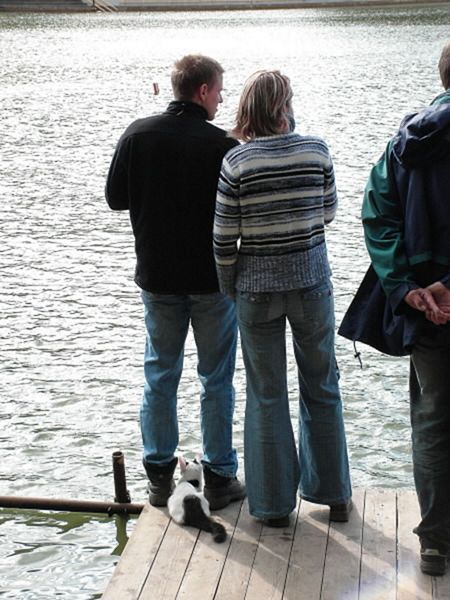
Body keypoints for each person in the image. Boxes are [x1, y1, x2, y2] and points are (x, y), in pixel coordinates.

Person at [105, 54, 245, 510]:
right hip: (211, 280)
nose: (221, 99)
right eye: (219, 90)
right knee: (216, 379)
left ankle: (160, 477)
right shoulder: (222, 145)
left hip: (158, 277)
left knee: (160, 375)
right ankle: (220, 476)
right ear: (202, 90)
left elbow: (115, 199)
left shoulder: (137, 135)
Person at [213, 70, 352, 527]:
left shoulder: (237, 162)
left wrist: (229, 284)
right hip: (312, 285)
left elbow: (223, 238)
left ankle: (272, 507)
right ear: (285, 106)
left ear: (248, 108)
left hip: (256, 291)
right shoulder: (317, 151)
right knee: (322, 386)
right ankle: (333, 496)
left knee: (266, 394)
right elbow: (328, 212)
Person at [355, 41, 450, 576]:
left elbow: (377, 215)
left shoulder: (405, 142)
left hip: (423, 308)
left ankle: (434, 542)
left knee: (433, 419)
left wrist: (407, 287)